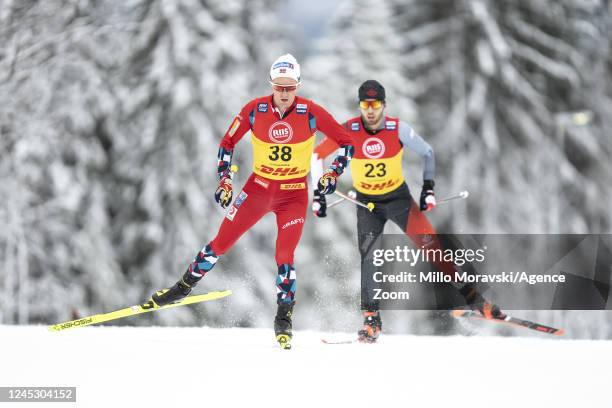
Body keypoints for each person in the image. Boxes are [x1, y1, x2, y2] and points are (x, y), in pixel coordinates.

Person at [152, 54, 354, 350]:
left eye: (289, 87)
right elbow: (227, 143)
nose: (284, 94)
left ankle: (283, 319)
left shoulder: (311, 112)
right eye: (278, 87)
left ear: (298, 85)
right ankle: (182, 288)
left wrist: (332, 174)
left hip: (293, 194)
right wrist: (225, 180)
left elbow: (347, 141)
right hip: (258, 189)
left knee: (284, 255)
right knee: (220, 243)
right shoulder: (255, 110)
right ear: (271, 85)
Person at [311, 80, 500, 343]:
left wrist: (428, 189)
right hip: (367, 205)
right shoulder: (347, 130)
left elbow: (428, 152)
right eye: (366, 105)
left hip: (399, 201)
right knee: (369, 259)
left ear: (384, 105)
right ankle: (371, 321)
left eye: (376, 105)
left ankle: (475, 299)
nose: (371, 111)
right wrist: (318, 192)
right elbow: (317, 155)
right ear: (360, 106)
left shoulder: (398, 129)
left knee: (433, 248)